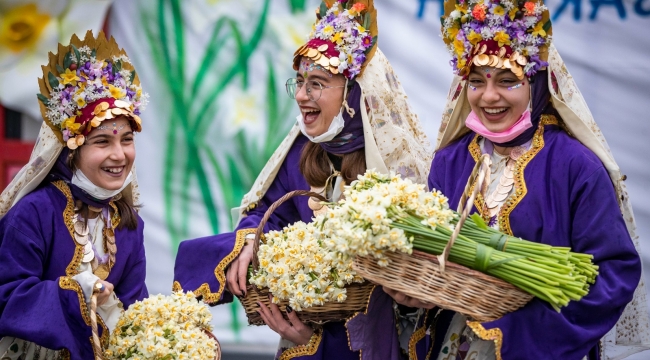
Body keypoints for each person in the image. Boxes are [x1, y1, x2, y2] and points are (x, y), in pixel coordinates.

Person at [383, 0, 650, 358]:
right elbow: (433, 261)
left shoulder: (575, 166)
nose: (488, 97)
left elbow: (614, 272)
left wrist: (521, 332)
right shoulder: (450, 162)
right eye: (476, 82)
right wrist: (417, 292)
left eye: (508, 81)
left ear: (537, 83)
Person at [173, 0, 434, 358]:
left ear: (354, 93)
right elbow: (267, 209)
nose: (300, 96)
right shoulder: (303, 150)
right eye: (298, 82)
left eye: (317, 83)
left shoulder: (396, 165)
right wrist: (250, 237)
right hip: (304, 339)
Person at [0, 31, 149, 359]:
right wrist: (75, 293)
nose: (119, 155)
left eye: (126, 139)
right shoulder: (35, 213)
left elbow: (137, 308)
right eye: (102, 142)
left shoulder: (128, 223)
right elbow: (7, 296)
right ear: (71, 150)